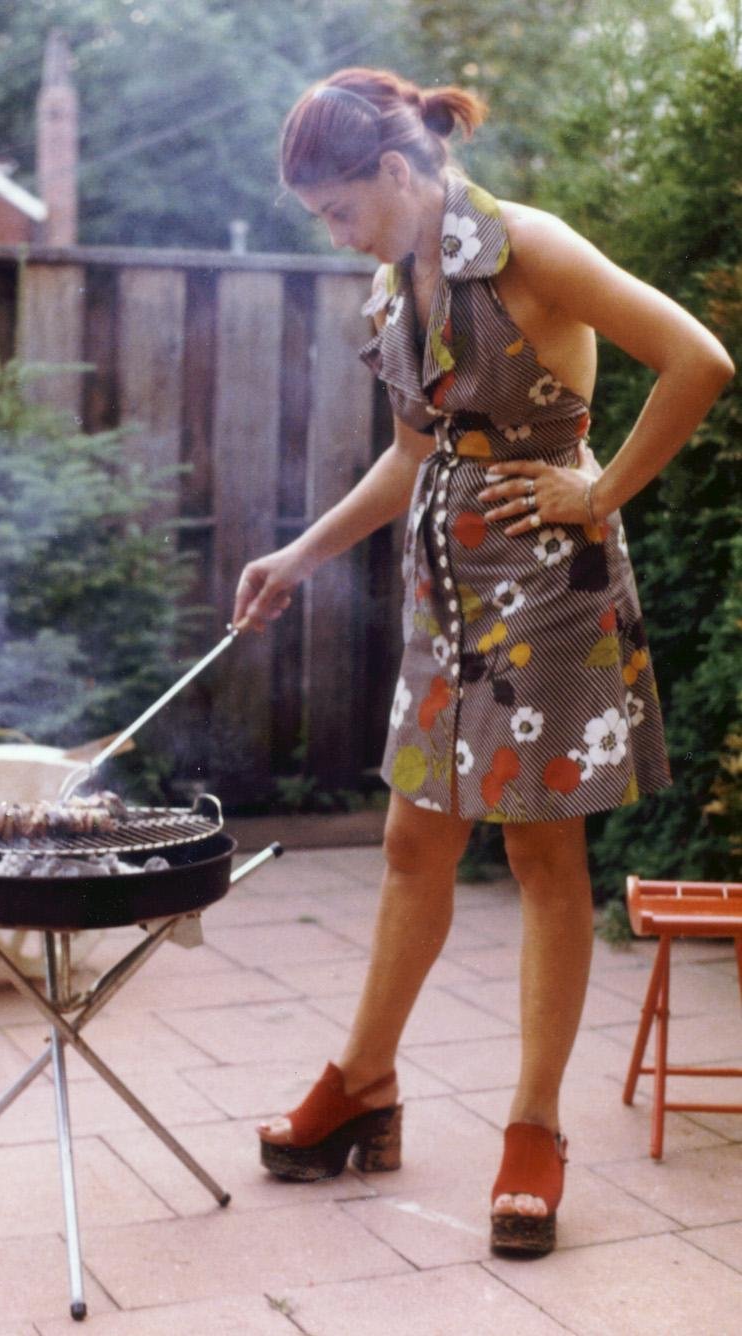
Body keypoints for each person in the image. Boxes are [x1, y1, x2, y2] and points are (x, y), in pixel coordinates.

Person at [231, 67, 733, 1256]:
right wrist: (298, 556)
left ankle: (535, 1129)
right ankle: (363, 1083)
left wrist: (600, 492)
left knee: (542, 851)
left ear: (396, 173)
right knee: (415, 838)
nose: (337, 233)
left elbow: (699, 357)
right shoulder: (400, 278)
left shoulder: (529, 249)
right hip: (446, 593)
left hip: (548, 593)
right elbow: (419, 451)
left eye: (340, 209)